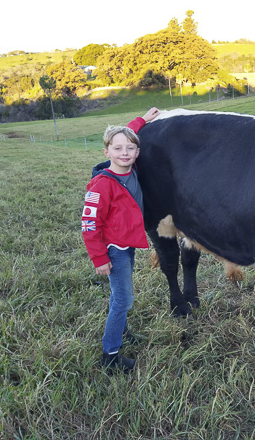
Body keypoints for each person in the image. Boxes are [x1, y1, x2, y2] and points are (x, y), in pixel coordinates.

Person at [81, 107, 160, 373]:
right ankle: (110, 355)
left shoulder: (131, 168)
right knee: (123, 300)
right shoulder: (102, 184)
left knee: (119, 295)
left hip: (126, 247)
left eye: (130, 149)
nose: (124, 153)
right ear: (106, 152)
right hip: (113, 250)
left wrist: (142, 121)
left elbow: (127, 134)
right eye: (117, 149)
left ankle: (122, 333)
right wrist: (99, 258)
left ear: (137, 152)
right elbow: (89, 225)